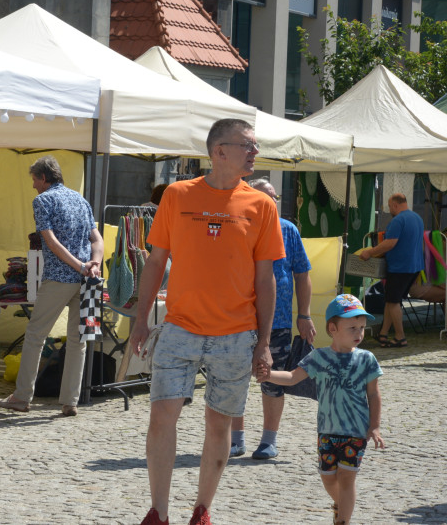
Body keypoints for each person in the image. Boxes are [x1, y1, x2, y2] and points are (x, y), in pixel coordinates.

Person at [130, 118, 284, 525]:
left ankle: (202, 510)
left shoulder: (262, 205)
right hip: (179, 329)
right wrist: (141, 320)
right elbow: (156, 261)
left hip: (236, 336)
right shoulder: (177, 195)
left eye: (255, 145)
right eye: (247, 145)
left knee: (219, 426)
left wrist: (263, 342)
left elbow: (265, 279)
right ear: (219, 151)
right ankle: (158, 512)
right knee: (161, 418)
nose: (255, 152)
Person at [260, 294, 384, 525]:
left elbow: (374, 395)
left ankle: (343, 520)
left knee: (346, 479)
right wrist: (268, 375)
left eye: (362, 328)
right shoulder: (319, 357)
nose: (359, 333)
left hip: (356, 432)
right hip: (326, 431)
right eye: (352, 328)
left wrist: (375, 426)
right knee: (328, 478)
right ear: (332, 329)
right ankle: (341, 505)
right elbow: (292, 377)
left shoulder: (367, 359)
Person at [0, 155, 104, 417]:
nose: (33, 185)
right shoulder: (81, 200)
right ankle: (70, 401)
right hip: (86, 280)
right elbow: (97, 239)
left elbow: (52, 243)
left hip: (59, 278)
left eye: (34, 179)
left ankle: (22, 397)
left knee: (35, 336)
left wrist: (81, 266)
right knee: (78, 340)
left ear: (43, 178)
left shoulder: (43, 200)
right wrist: (94, 264)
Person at [230, 177, 316, 460]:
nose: (271, 203)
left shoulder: (287, 230)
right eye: (264, 198)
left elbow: (302, 274)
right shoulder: (238, 227)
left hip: (277, 322)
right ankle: (236, 439)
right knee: (234, 380)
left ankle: (269, 440)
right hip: (239, 319)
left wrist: (304, 314)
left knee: (272, 380)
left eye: (273, 198)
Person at [360, 192, 423, 348]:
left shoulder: (398, 220)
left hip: (400, 268)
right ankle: (383, 334)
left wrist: (370, 252)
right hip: (414, 267)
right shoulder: (417, 218)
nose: (389, 210)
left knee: (393, 302)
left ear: (395, 204)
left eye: (389, 206)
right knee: (391, 300)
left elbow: (390, 243)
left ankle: (400, 337)